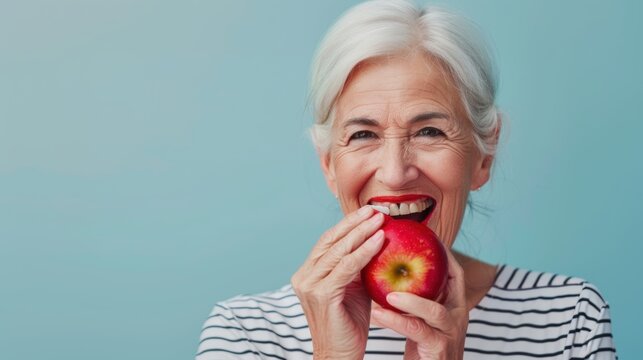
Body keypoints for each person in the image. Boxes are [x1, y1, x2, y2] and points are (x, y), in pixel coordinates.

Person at [196, 1, 617, 359]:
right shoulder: (247, 336)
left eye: (429, 131)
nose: (396, 173)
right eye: (363, 134)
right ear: (328, 164)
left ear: (483, 156)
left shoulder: (568, 321)